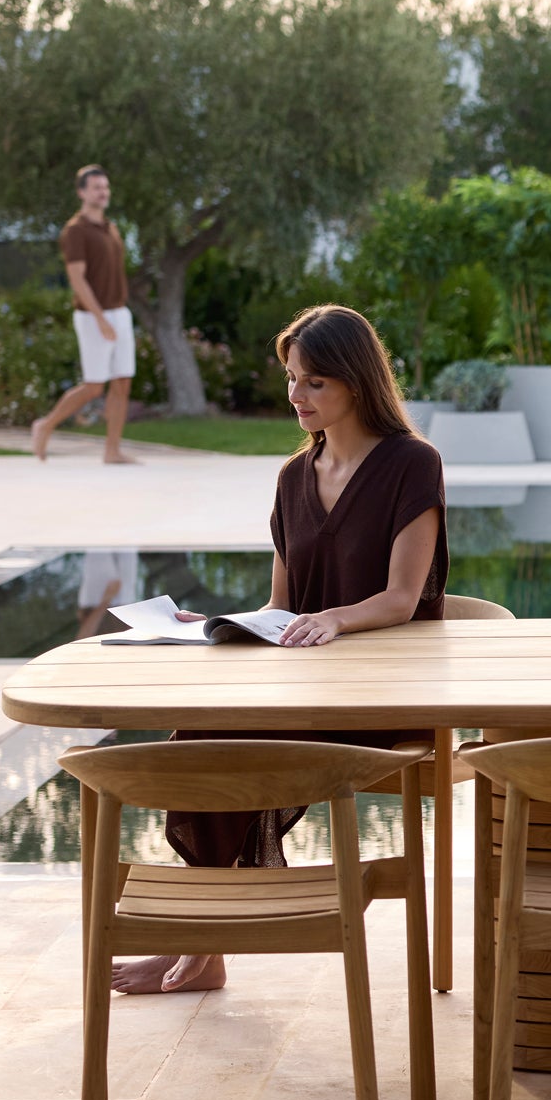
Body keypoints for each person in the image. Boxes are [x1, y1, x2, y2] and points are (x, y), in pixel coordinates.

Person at [111, 304, 448, 994]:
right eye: (292, 379)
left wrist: (336, 620)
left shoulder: (412, 465)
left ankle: (200, 945)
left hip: (380, 693)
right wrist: (219, 621)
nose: (296, 396)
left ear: (356, 381)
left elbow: (403, 597)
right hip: (303, 685)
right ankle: (202, 944)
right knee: (198, 739)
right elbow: (279, 606)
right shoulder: (293, 477)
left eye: (314, 382)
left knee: (208, 742)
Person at [33, 165, 138, 465]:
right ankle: (46, 425)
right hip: (93, 317)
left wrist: (116, 315)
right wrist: (101, 318)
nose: (102, 192)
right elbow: (77, 279)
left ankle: (112, 450)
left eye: (105, 187)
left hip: (119, 312)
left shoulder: (110, 227)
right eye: (96, 187)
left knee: (122, 382)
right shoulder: (75, 230)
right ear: (81, 192)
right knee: (94, 386)